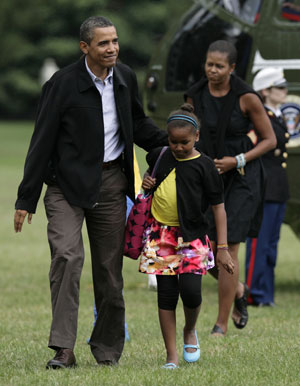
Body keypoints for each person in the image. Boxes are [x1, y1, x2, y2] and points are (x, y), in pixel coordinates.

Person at [14, 16, 168, 369]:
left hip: (112, 183)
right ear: (85, 47)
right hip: (65, 187)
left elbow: (139, 123)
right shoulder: (61, 84)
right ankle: (63, 349)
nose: (112, 48)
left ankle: (107, 349)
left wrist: (173, 141)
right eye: (103, 43)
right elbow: (41, 142)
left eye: (114, 41)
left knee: (109, 271)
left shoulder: (126, 78)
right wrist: (26, 198)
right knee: (67, 257)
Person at [185, 40, 276, 336]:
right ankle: (238, 289)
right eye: (209, 64)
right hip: (209, 176)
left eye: (219, 66)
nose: (213, 70)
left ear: (232, 68)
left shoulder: (246, 97)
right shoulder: (196, 94)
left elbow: (269, 140)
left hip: (243, 177)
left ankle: (220, 325)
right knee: (203, 249)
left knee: (229, 249)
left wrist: (237, 160)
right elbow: (186, 131)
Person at [139, 103, 234, 368]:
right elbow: (153, 177)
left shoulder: (204, 165)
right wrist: (148, 180)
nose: (178, 147)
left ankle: (189, 329)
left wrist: (223, 247)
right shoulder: (159, 155)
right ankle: (171, 356)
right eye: (173, 142)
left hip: (192, 238)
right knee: (166, 296)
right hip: (161, 237)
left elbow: (219, 207)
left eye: (184, 142)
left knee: (191, 293)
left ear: (197, 137)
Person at [245, 67, 290, 306]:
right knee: (259, 243)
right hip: (264, 186)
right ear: (265, 90)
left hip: (277, 187)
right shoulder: (260, 117)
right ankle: (252, 292)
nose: (285, 91)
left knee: (271, 244)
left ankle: (266, 293)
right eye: (279, 87)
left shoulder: (277, 115)